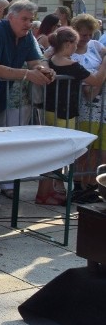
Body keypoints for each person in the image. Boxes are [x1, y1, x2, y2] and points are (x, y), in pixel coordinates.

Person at [0, 0, 55, 199]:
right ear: (11, 17)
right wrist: (27, 75)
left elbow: (36, 61)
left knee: (10, 140)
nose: (28, 24)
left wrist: (45, 70)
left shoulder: (26, 36)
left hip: (10, 95)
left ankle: (7, 183)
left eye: (31, 19)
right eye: (24, 19)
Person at [41, 26, 106, 205]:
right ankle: (45, 193)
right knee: (57, 154)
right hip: (63, 112)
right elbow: (96, 80)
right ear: (68, 44)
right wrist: (104, 63)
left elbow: (45, 57)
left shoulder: (52, 59)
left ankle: (48, 191)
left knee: (53, 153)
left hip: (54, 110)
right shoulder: (71, 65)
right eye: (75, 44)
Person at [69, 13, 106, 202]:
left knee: (101, 150)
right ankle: (79, 186)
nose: (86, 38)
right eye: (83, 34)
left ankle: (93, 185)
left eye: (90, 34)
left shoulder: (96, 46)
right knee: (85, 150)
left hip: (102, 107)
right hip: (84, 107)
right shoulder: (72, 53)